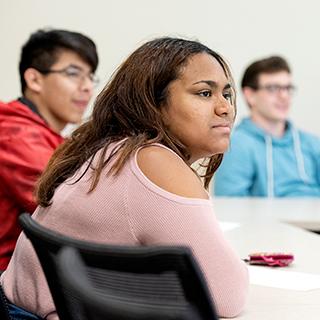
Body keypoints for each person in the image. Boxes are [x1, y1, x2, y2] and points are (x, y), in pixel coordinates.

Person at [1, 37, 248, 319]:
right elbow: (227, 295)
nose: (225, 108)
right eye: (204, 93)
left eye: (226, 95)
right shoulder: (152, 160)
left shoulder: (110, 150)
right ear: (154, 104)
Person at [0, 29, 99, 270]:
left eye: (90, 77)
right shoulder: (15, 134)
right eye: (73, 74)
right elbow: (73, 214)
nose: (87, 87)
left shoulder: (46, 136)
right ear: (34, 79)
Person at [213, 56, 320, 197]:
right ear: (250, 95)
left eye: (287, 88)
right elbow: (231, 207)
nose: (284, 96)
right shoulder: (237, 145)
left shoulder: (311, 143)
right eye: (273, 88)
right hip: (267, 219)